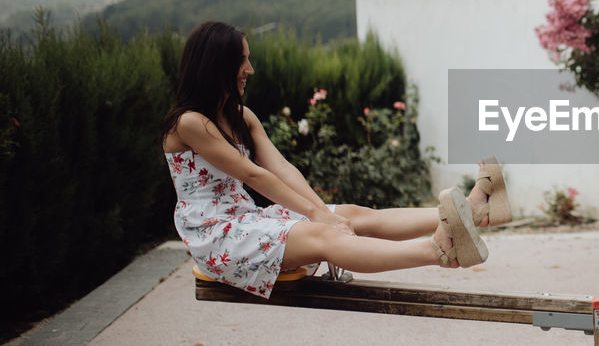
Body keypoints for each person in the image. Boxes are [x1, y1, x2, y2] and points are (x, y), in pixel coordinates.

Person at [161, 21, 512, 299]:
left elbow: (281, 169)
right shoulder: (190, 123)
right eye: (243, 60)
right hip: (217, 237)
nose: (250, 69)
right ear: (218, 66)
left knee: (350, 214)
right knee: (325, 236)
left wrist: (326, 213)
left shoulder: (241, 116)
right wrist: (318, 217)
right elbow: (254, 176)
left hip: (246, 220)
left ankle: (473, 210)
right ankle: (439, 251)